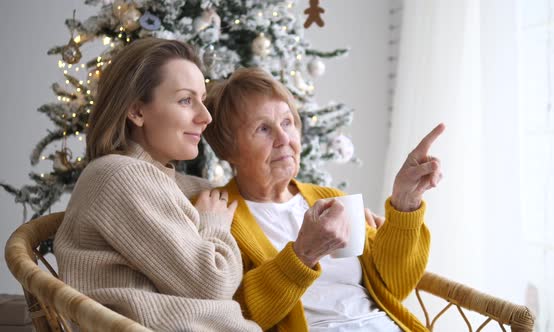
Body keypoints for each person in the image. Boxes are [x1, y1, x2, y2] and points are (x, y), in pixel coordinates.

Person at [196, 67, 444, 332]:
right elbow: (237, 313)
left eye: (288, 122)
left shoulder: (329, 199)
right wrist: (303, 254)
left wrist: (405, 202)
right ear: (228, 149)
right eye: (263, 129)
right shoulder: (222, 215)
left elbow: (393, 285)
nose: (284, 139)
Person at [54, 38, 260, 332]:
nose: (206, 116)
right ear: (137, 111)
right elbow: (211, 283)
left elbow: (196, 193)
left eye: (202, 99)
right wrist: (213, 225)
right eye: (186, 100)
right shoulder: (121, 176)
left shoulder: (155, 179)